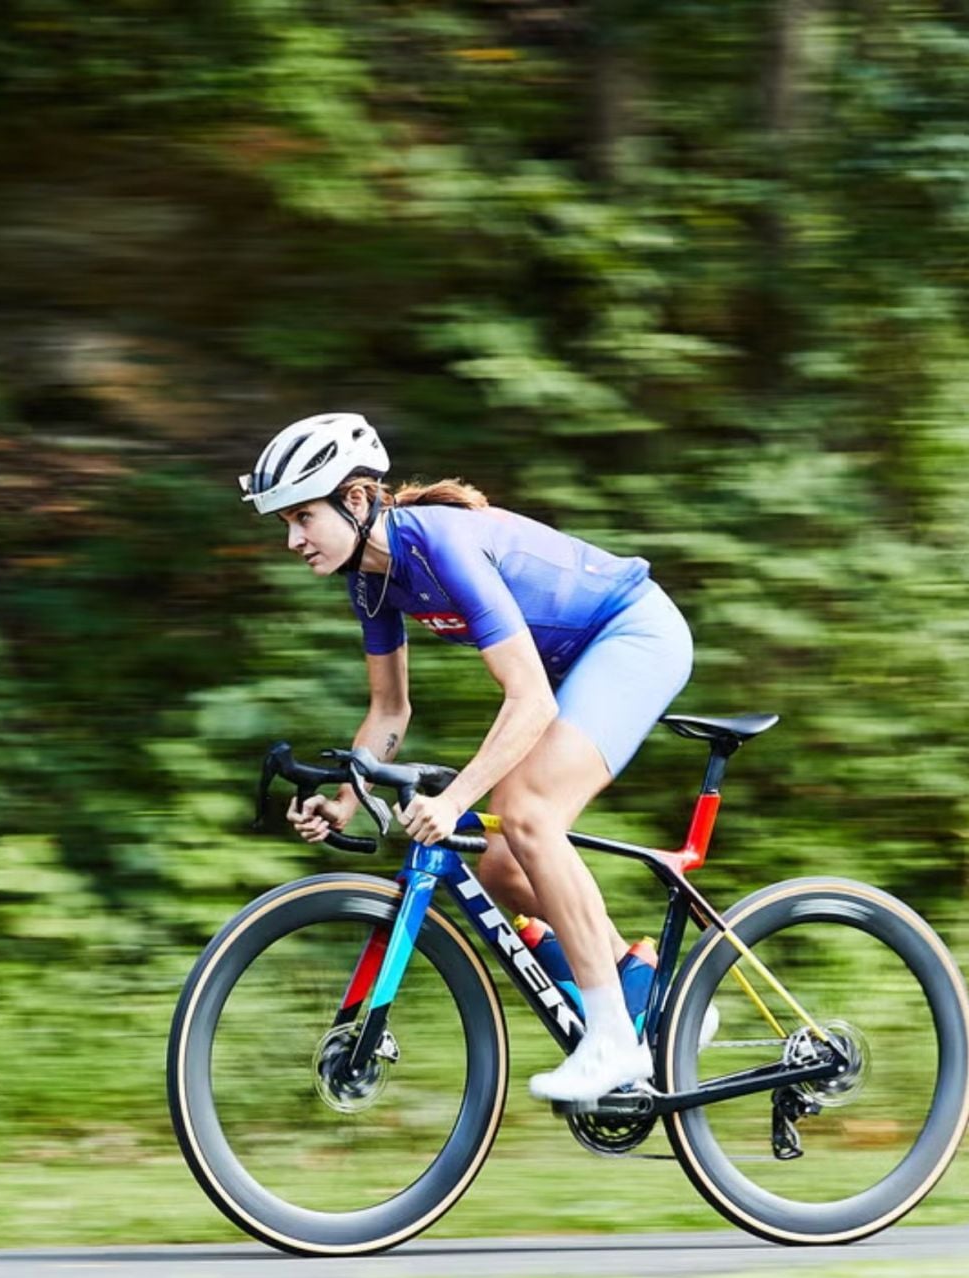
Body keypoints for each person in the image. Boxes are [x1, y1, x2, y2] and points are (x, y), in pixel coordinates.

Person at [240, 410, 696, 1106]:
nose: (293, 540)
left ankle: (612, 1043)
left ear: (357, 500)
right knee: (504, 862)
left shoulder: (438, 544)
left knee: (529, 815)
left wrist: (453, 801)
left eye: (303, 516)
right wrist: (345, 798)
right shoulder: (370, 582)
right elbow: (391, 711)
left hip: (635, 633)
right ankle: (649, 999)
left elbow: (531, 701)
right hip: (577, 665)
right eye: (285, 523)